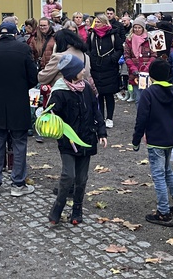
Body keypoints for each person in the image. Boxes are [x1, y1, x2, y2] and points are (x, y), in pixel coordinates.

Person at [47, 54, 107, 225]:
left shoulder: (86, 87)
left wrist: (101, 132)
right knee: (68, 175)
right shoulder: (59, 92)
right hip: (68, 141)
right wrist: (51, 120)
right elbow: (51, 114)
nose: (83, 71)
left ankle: (77, 210)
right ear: (72, 73)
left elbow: (95, 111)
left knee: (81, 178)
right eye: (80, 69)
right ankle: (57, 208)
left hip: (86, 139)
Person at [0, 21, 38, 196]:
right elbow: (33, 77)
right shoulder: (23, 49)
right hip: (18, 101)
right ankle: (18, 184)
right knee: (19, 142)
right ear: (15, 34)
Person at [132, 59, 173, 227]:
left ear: (151, 75)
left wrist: (136, 140)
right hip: (169, 139)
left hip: (155, 140)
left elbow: (141, 118)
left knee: (158, 175)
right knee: (167, 171)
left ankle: (163, 212)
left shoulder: (148, 93)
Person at [88, 14, 123, 128]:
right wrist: (91, 58)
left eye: (98, 22)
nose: (96, 24)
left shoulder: (113, 34)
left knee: (109, 95)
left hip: (110, 68)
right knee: (99, 94)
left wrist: (113, 58)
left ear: (104, 23)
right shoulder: (92, 34)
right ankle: (100, 117)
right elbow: (88, 48)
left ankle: (109, 118)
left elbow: (119, 49)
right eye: (95, 22)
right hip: (96, 68)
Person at [124, 16, 155, 103]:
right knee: (138, 99)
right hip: (135, 73)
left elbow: (154, 55)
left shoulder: (149, 39)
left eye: (139, 28)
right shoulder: (129, 40)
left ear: (143, 28)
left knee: (148, 98)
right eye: (135, 27)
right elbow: (127, 56)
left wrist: (147, 67)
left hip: (147, 72)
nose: (137, 30)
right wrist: (133, 68)